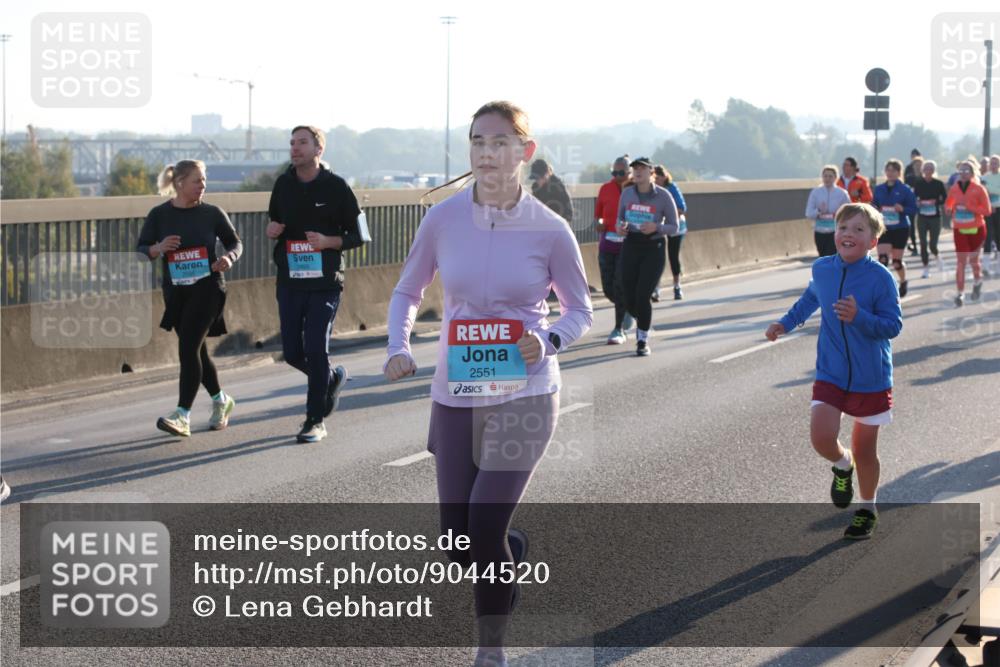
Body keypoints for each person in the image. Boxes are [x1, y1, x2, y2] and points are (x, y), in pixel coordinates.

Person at [383, 101, 593, 667]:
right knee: (458, 541)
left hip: (525, 390)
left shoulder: (550, 231)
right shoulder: (443, 219)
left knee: (483, 524)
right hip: (459, 390)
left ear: (525, 152)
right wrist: (398, 346)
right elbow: (408, 290)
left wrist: (548, 341)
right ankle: (509, 553)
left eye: (501, 142)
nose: (487, 152)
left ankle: (490, 649)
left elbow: (581, 309)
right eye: (478, 141)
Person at [766, 203, 902, 539]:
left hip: (871, 377)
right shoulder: (823, 269)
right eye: (843, 227)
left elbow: (892, 326)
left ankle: (867, 508)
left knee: (866, 450)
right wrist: (784, 324)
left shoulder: (880, 279)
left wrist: (861, 317)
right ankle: (843, 465)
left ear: (872, 241)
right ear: (834, 232)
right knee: (821, 437)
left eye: (859, 229)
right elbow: (810, 299)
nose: (849, 234)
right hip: (831, 371)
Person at [266, 126, 364, 443]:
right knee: (293, 353)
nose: (295, 148)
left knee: (315, 348)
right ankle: (332, 378)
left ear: (318, 149)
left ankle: (314, 420)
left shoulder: (336, 187)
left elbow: (360, 235)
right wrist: (273, 230)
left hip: (325, 282)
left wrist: (328, 241)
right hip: (290, 281)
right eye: (292, 143)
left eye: (302, 143)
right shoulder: (283, 184)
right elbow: (275, 220)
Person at [137, 160, 242, 437]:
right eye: (197, 180)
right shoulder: (159, 215)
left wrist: (228, 258)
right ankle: (222, 401)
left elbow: (235, 242)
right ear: (180, 183)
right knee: (196, 350)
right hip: (177, 293)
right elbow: (141, 249)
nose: (203, 185)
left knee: (188, 349)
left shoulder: (212, 213)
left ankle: (182, 414)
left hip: (208, 288)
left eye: (205, 180)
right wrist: (158, 247)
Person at [615, 157, 679, 357]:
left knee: (643, 296)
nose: (638, 172)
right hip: (631, 244)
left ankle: (642, 340)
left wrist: (656, 227)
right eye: (635, 169)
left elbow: (674, 226)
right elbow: (620, 219)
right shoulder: (627, 194)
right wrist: (620, 228)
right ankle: (642, 318)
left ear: (651, 172)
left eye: (642, 169)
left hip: (654, 246)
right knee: (627, 293)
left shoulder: (663, 196)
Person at [595, 156, 634, 344]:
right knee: (608, 289)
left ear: (629, 172)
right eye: (614, 173)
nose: (617, 176)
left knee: (619, 286)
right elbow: (597, 216)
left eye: (621, 173)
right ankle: (626, 307)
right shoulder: (605, 189)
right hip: (607, 244)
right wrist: (599, 224)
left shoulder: (635, 191)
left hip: (627, 246)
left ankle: (618, 329)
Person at [944, 160, 994, 307]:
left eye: (967, 171)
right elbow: (949, 203)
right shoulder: (954, 188)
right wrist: (948, 208)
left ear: (972, 173)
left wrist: (971, 207)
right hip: (960, 229)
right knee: (961, 262)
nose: (964, 174)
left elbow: (987, 211)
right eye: (961, 171)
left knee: (973, 261)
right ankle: (960, 293)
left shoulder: (979, 189)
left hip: (977, 229)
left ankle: (977, 280)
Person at [871, 159, 917, 297]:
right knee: (883, 259)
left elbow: (913, 209)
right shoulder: (879, 189)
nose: (890, 173)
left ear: (899, 173)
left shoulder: (905, 190)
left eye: (894, 171)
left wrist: (902, 209)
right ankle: (884, 288)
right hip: (884, 228)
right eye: (888, 170)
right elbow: (873, 206)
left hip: (900, 228)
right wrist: (875, 210)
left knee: (896, 262)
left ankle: (903, 281)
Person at [653, 165, 688, 300]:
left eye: (657, 178)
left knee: (673, 256)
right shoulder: (651, 190)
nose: (655, 181)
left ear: (663, 177)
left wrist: (668, 213)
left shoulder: (671, 188)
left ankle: (677, 286)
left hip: (675, 227)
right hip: (658, 227)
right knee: (657, 259)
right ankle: (656, 288)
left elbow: (682, 208)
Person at [911, 160, 948, 278]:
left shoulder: (938, 183)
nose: (928, 171)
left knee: (933, 244)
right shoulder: (918, 183)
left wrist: (936, 201)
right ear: (922, 170)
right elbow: (914, 198)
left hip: (935, 217)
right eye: (926, 168)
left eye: (930, 168)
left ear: (933, 170)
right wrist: (918, 202)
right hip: (922, 216)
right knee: (922, 243)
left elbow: (945, 198)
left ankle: (937, 256)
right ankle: (926, 268)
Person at [805, 165, 851, 257]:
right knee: (822, 257)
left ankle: (834, 271)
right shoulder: (816, 192)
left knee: (831, 256)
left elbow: (849, 213)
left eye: (830, 176)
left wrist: (838, 215)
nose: (827, 179)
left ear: (835, 178)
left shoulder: (842, 193)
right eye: (825, 176)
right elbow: (808, 213)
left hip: (835, 232)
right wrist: (818, 212)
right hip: (819, 231)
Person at [528, 158, 573, 223]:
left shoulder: (559, 187)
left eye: (539, 178)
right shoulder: (535, 188)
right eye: (535, 179)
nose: (537, 181)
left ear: (547, 174)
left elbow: (569, 214)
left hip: (556, 227)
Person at [980, 154, 1000, 269]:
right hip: (988, 210)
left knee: (998, 236)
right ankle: (986, 265)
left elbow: (994, 191)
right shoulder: (984, 178)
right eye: (991, 163)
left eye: (996, 163)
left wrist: (990, 189)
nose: (993, 165)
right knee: (987, 236)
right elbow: (983, 193)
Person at [904, 156, 924, 255]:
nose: (918, 167)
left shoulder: (925, 178)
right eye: (916, 165)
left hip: (924, 205)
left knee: (922, 225)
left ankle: (923, 245)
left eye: (920, 165)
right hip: (911, 203)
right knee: (911, 225)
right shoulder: (909, 177)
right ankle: (914, 247)